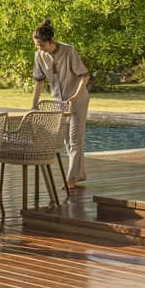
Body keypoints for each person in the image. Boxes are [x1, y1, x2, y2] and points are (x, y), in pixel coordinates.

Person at [30, 18, 90, 187]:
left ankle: (71, 178)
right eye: (37, 46)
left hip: (77, 99)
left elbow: (84, 76)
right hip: (58, 102)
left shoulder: (68, 51)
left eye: (42, 45)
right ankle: (80, 173)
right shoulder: (39, 56)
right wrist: (33, 104)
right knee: (66, 140)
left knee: (75, 138)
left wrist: (75, 97)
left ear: (51, 41)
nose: (39, 48)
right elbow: (39, 81)